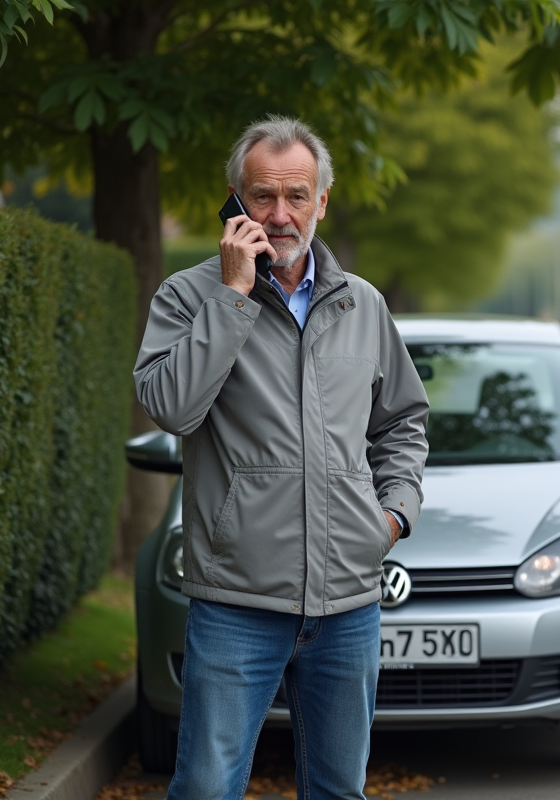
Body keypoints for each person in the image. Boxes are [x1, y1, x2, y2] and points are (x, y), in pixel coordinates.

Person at [133, 115, 429, 800]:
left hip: (349, 601)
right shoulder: (188, 296)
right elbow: (173, 407)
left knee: (337, 791)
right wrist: (233, 296)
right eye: (263, 196)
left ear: (323, 200)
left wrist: (392, 517)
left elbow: (404, 422)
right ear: (236, 200)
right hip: (237, 600)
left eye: (298, 195)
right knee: (206, 788)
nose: (281, 213)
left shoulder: (364, 305)